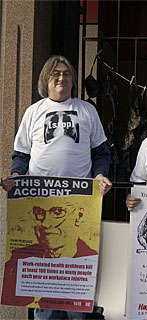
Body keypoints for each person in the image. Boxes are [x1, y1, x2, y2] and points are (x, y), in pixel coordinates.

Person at [0, 55, 112, 319]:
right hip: (41, 204)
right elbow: (21, 155)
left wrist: (100, 175)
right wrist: (16, 176)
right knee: (43, 285)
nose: (61, 78)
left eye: (66, 74)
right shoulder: (33, 112)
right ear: (45, 81)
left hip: (78, 206)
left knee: (75, 284)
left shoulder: (87, 111)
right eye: (55, 74)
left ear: (73, 80)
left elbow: (101, 153)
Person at [1, 199, 98, 307]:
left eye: (58, 212)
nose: (46, 223)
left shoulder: (90, 258)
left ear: (79, 216)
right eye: (38, 213)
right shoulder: (20, 258)